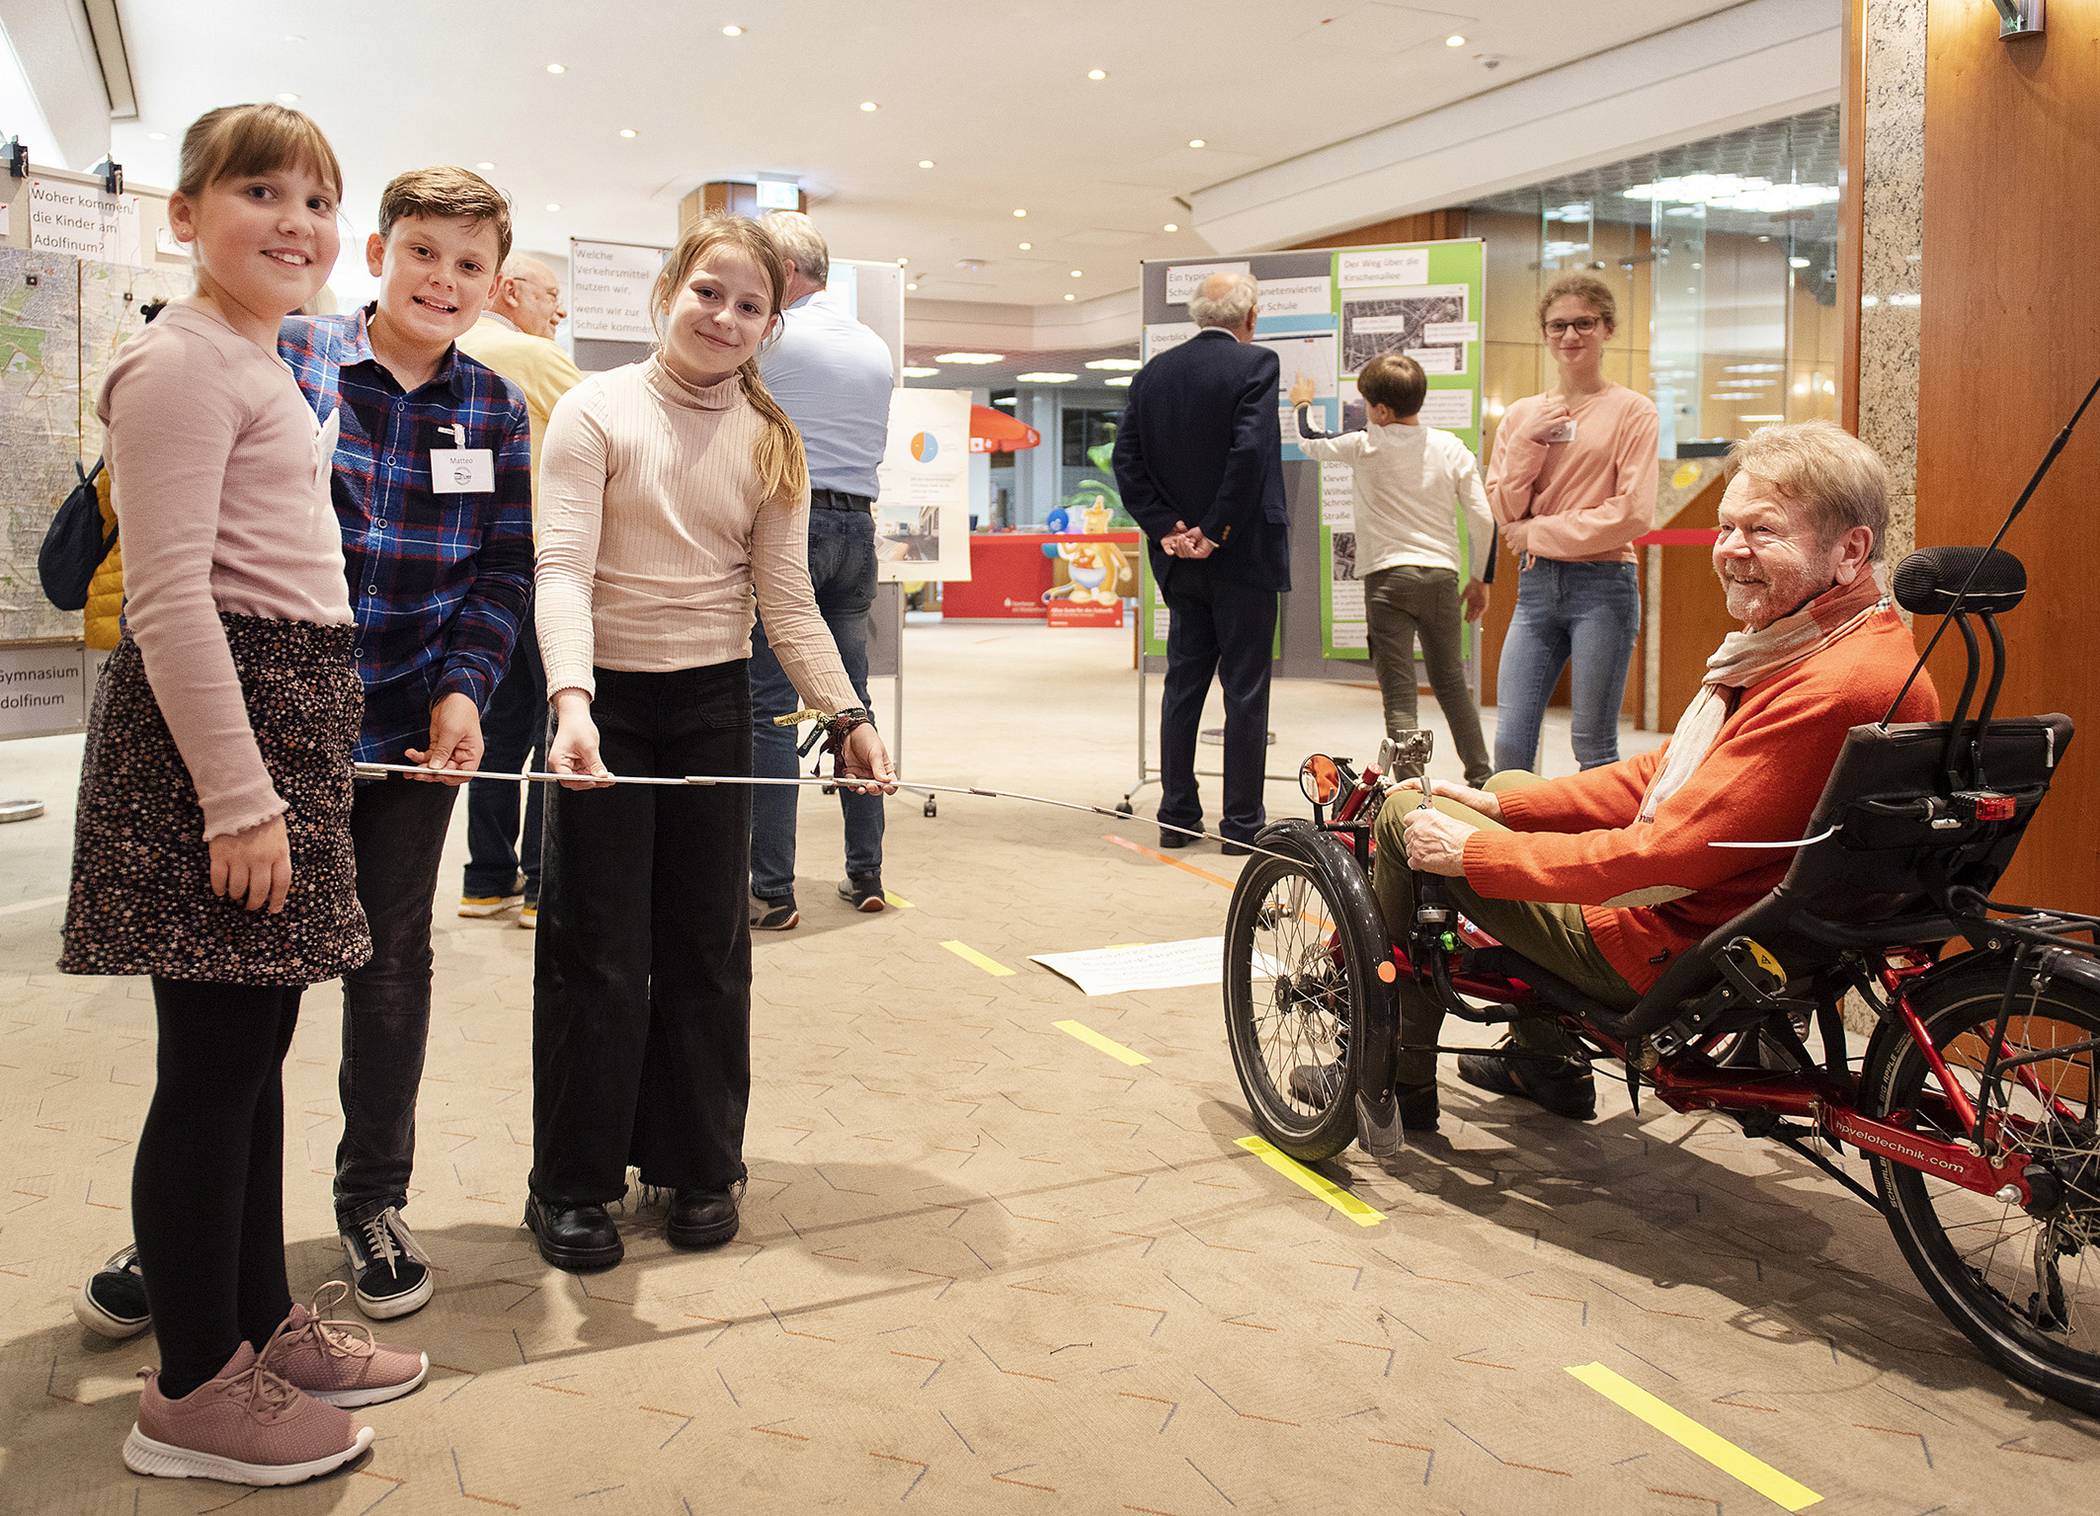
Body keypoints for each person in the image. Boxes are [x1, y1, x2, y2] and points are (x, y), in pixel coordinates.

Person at [60, 102, 425, 1488]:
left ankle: (262, 1324)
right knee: (211, 1075)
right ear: (184, 212)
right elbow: (166, 601)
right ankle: (194, 1385)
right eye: (260, 191)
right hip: (221, 748)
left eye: (318, 202)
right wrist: (238, 796)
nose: (297, 224)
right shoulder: (177, 366)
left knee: (253, 1058)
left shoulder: (259, 361)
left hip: (282, 721)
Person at [1357, 421, 1939, 1131]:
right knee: (1512, 788)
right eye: (1727, 528)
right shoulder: (1855, 646)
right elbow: (1667, 775)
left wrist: (1477, 852)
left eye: (1763, 530)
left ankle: (1387, 1073)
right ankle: (1542, 1058)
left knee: (1405, 814)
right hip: (1757, 927)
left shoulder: (1827, 683)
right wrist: (1498, 810)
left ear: (1851, 549)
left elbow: (1663, 859)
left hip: (1671, 945)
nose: (1730, 551)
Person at [527, 214, 896, 1272]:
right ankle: (571, 1181)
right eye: (708, 294)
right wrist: (572, 700)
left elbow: (786, 599)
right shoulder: (594, 412)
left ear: (772, 322)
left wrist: (848, 716)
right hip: (606, 705)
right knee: (597, 951)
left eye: (750, 306)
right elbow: (562, 572)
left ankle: (697, 1161)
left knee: (707, 942)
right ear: (666, 293)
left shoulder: (772, 439)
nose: (725, 318)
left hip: (711, 706)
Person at [278, 167, 532, 1317]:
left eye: (469, 264)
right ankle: (197, 1211)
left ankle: (371, 1198)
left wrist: (469, 689)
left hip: (413, 730)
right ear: (379, 249)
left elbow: (503, 570)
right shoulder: (292, 354)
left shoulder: (493, 406)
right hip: (277, 721)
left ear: (492, 282)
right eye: (424, 252)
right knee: (246, 977)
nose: (444, 278)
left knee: (388, 971)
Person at [745, 210, 896, 929]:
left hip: (792, 521)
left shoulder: (773, 337)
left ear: (785, 273)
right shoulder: (873, 346)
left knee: (771, 709)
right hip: (858, 529)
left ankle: (771, 888)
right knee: (850, 704)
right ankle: (866, 873)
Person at [1111, 270, 1289, 854]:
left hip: (1180, 563)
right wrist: (1216, 531)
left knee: (1183, 685)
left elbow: (1128, 465)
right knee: (1245, 690)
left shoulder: (1152, 375)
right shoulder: (1257, 364)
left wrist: (1169, 530)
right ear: (1251, 317)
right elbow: (1250, 455)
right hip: (1243, 556)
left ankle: (1177, 818)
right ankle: (1241, 829)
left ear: (1196, 317)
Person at [1289, 352, 1494, 786]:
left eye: (1366, 403)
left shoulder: (1364, 444)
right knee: (1453, 686)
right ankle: (1481, 778)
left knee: (1400, 695)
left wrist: (1301, 403)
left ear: (1381, 410)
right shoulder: (1451, 447)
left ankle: (1412, 793)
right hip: (1440, 579)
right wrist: (1479, 579)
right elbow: (1483, 519)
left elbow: (1310, 440)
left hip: (1387, 581)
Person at [456, 253, 586, 928]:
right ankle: (541, 885)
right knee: (552, 718)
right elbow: (611, 433)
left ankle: (484, 880)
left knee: (497, 728)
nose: (558, 311)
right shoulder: (533, 357)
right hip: (540, 563)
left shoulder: (450, 350)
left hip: (475, 570)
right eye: (550, 294)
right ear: (508, 290)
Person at [1485, 273, 1659, 775]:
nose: (1570, 336)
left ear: (1607, 328)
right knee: (1511, 742)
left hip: (1603, 587)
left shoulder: (1633, 411)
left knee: (1594, 747)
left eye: (1583, 323)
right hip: (1536, 590)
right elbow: (1504, 509)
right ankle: (1510, 844)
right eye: (1558, 325)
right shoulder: (1522, 415)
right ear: (1544, 333)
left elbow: (1631, 514)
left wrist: (1535, 533)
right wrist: (1526, 444)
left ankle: (1601, 850)